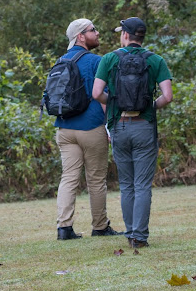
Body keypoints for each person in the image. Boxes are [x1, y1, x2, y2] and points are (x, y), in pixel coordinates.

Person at [92, 17, 173, 248]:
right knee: (143, 185)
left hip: (120, 127)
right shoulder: (156, 60)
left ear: (125, 35)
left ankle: (130, 233)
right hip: (144, 126)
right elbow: (167, 96)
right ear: (142, 36)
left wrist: (116, 104)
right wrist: (150, 106)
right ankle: (140, 237)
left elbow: (97, 93)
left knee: (127, 184)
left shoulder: (109, 59)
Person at [54, 19, 122, 240]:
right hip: (91, 127)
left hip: (64, 129)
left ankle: (64, 228)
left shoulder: (61, 60)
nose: (98, 33)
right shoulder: (96, 61)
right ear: (81, 36)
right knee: (96, 179)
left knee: (69, 177)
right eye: (93, 30)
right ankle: (100, 226)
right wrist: (110, 126)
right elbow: (104, 97)